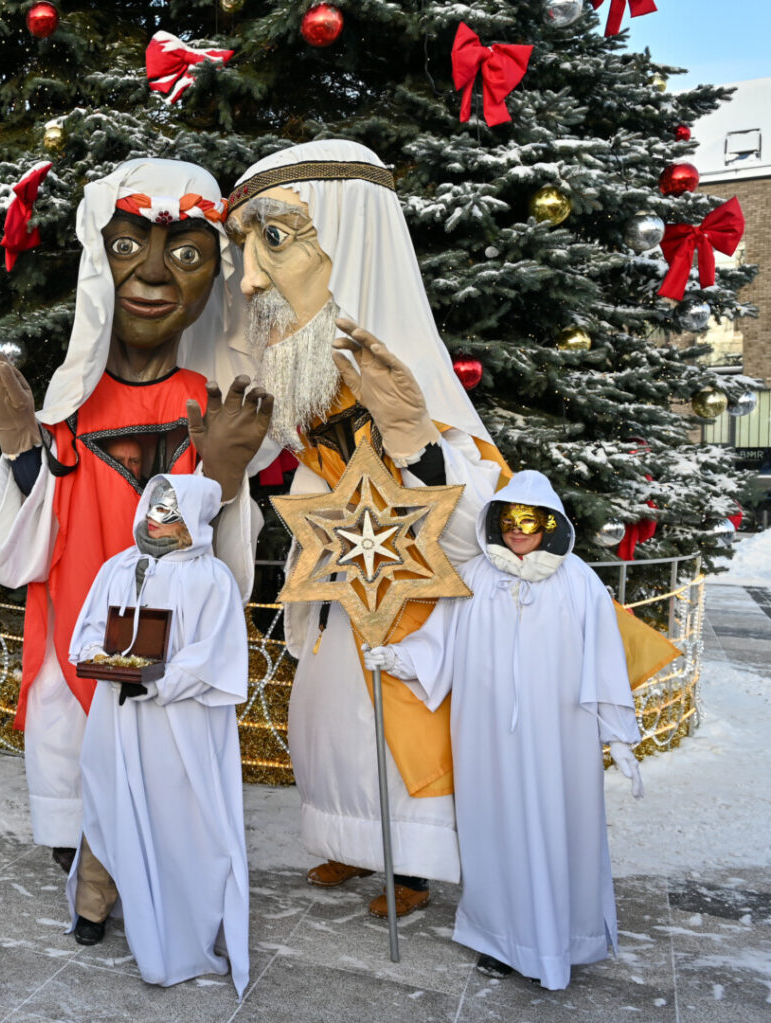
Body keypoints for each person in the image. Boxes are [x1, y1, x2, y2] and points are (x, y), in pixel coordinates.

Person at [0, 159, 269, 871]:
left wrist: (223, 476)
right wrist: (20, 439)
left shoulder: (213, 406)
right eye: (127, 246)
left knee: (168, 821)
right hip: (75, 637)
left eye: (185, 255)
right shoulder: (68, 407)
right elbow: (21, 550)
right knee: (77, 812)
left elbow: (228, 572)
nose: (153, 274)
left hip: (174, 655)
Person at [224, 140, 507, 917]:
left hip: (404, 599)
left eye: (272, 239)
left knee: (387, 723)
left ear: (345, 242)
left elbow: (479, 527)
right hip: (332, 578)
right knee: (327, 719)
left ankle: (408, 865)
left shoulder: (412, 379)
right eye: (244, 247)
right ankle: (347, 842)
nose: (248, 278)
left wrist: (413, 438)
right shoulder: (300, 373)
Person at [363, 471, 644, 989]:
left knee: (558, 829)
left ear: (549, 524)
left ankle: (558, 939)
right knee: (493, 831)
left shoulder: (578, 581)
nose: (517, 529)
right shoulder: (474, 576)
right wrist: (397, 658)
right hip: (486, 735)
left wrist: (619, 735)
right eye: (508, 519)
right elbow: (439, 643)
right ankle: (500, 940)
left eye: (529, 521)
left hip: (559, 738)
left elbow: (604, 660)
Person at [67, 473, 250, 994]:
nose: (155, 519)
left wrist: (159, 683)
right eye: (153, 506)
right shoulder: (118, 567)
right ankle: (93, 905)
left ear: (192, 518)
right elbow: (89, 629)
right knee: (108, 799)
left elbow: (213, 655)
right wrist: (98, 659)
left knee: (174, 816)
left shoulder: (211, 579)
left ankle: (179, 919)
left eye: (170, 512)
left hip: (178, 728)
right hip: (116, 716)